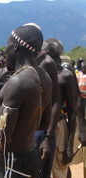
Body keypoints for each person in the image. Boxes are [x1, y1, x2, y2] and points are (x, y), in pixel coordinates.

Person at [0, 24, 52, 178]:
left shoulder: (18, 81)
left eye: (7, 45)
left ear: (16, 46)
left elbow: (2, 138)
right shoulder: (44, 77)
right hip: (30, 156)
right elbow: (44, 123)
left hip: (12, 163)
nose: (6, 51)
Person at [42, 38, 76, 178]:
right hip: (41, 126)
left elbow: (73, 110)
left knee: (59, 169)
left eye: (46, 52)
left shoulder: (65, 76)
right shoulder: (41, 73)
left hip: (59, 127)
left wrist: (70, 144)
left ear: (54, 54)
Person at [34, 39, 61, 178]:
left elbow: (56, 101)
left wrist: (48, 138)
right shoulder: (30, 62)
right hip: (28, 131)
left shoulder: (47, 63)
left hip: (41, 132)